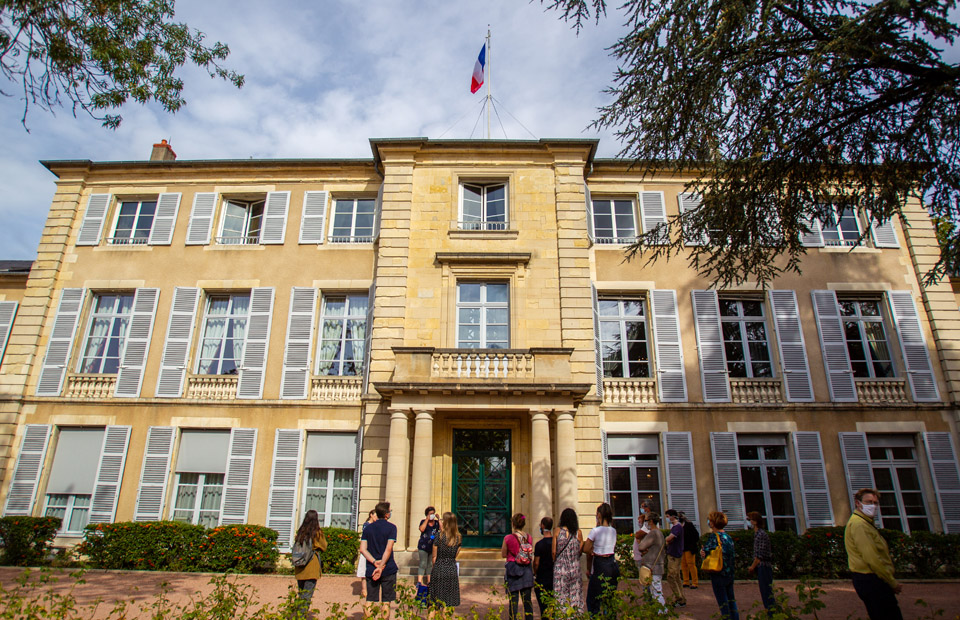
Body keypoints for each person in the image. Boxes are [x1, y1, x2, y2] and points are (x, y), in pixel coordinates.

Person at [845, 488, 903, 620]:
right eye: (869, 502)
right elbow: (872, 559)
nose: (873, 506)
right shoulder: (860, 525)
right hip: (872, 579)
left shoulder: (864, 523)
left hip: (870, 579)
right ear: (858, 503)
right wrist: (892, 582)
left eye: (875, 503)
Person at [360, 501, 399, 620]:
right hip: (387, 568)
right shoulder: (391, 528)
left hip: (372, 568)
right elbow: (388, 549)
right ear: (386, 514)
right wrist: (381, 566)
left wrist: (374, 562)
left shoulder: (368, 528)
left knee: (370, 600)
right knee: (386, 602)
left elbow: (362, 549)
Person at [701, 511, 739, 620]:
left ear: (713, 523)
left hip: (718, 572)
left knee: (723, 603)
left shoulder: (714, 537)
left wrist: (703, 552)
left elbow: (706, 552)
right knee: (731, 600)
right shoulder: (728, 537)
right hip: (729, 573)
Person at [293, 509, 329, 620]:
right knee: (307, 594)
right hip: (311, 565)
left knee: (301, 593)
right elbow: (324, 546)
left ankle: (299, 614)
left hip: (300, 566)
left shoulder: (301, 532)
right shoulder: (317, 533)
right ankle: (301, 616)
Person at [584, 502, 619, 615]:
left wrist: (592, 551)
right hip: (612, 563)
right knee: (609, 597)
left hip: (600, 564)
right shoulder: (613, 530)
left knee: (593, 599)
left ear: (599, 514)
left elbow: (586, 548)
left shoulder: (596, 531)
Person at [502, 513, 535, 620]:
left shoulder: (508, 538)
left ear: (513, 524)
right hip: (527, 571)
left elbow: (503, 554)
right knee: (527, 601)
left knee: (513, 602)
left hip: (513, 571)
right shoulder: (529, 537)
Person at [552, 507, 583, 612]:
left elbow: (553, 551)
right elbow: (580, 550)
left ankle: (561, 616)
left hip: (560, 568)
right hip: (574, 567)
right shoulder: (578, 533)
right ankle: (576, 616)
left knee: (560, 597)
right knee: (576, 596)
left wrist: (556, 561)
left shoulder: (557, 531)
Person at [429, 512, 462, 610]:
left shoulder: (439, 536)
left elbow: (434, 557)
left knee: (433, 602)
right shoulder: (458, 538)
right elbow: (455, 554)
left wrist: (436, 566)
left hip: (439, 568)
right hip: (451, 569)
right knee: (448, 603)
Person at [747, 511, 775, 611]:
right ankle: (770, 611)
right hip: (761, 566)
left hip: (764, 566)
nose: (749, 522)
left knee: (766, 591)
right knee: (764, 591)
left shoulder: (761, 535)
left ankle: (772, 613)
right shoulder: (758, 534)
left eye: (750, 519)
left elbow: (760, 555)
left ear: (755, 522)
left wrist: (752, 567)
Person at [637, 512, 666, 606]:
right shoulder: (660, 533)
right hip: (658, 565)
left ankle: (661, 612)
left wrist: (644, 549)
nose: (646, 523)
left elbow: (641, 546)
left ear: (651, 521)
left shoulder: (653, 533)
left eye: (646, 521)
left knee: (656, 592)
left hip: (652, 566)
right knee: (656, 590)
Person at [663, 509, 686, 608]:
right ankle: (681, 598)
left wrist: (666, 540)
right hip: (674, 554)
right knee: (676, 577)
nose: (667, 518)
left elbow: (669, 538)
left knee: (671, 577)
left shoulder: (677, 527)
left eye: (668, 516)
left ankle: (679, 598)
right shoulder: (676, 527)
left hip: (674, 555)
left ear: (673, 516)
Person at [533, 516, 554, 617]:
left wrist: (535, 572)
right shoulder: (556, 543)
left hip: (542, 579)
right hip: (554, 578)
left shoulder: (539, 545)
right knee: (554, 607)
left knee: (543, 608)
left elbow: (536, 563)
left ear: (542, 526)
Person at [417, 506, 440, 586]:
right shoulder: (423, 521)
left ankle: (429, 581)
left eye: (433, 513)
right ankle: (419, 581)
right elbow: (422, 529)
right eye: (430, 514)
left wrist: (439, 519)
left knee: (430, 564)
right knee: (423, 563)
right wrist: (427, 519)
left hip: (433, 546)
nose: (432, 515)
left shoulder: (436, 523)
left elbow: (443, 530)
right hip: (423, 546)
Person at [357, 509, 377, 598]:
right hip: (366, 550)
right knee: (363, 570)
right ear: (371, 515)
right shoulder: (367, 525)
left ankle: (371, 589)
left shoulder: (376, 525)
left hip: (373, 550)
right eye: (375, 515)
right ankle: (364, 589)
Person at [679, 511, 699, 589]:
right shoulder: (678, 526)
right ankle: (686, 581)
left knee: (691, 564)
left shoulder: (689, 525)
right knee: (683, 565)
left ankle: (694, 582)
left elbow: (695, 536)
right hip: (682, 548)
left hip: (689, 547)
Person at [632, 501, 653, 572]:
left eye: (642, 507)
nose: (641, 509)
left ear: (647, 508)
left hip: (645, 557)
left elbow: (639, 534)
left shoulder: (649, 521)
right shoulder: (646, 522)